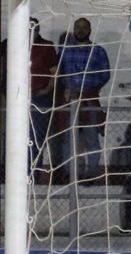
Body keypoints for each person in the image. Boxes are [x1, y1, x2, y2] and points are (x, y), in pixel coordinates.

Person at [54, 17, 111, 181]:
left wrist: (86, 89)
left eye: (84, 27)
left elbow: (105, 75)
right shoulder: (65, 51)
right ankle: (69, 172)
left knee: (91, 136)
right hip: (69, 99)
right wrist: (67, 87)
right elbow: (58, 72)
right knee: (68, 137)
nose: (80, 30)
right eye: (77, 27)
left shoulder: (99, 51)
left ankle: (91, 173)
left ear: (90, 30)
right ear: (73, 29)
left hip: (89, 99)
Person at [27, 18, 60, 181]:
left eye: (34, 29)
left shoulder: (46, 47)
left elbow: (55, 71)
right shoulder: (14, 45)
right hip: (20, 99)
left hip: (39, 97)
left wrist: (47, 89)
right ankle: (17, 172)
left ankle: (35, 173)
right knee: (16, 137)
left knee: (37, 137)